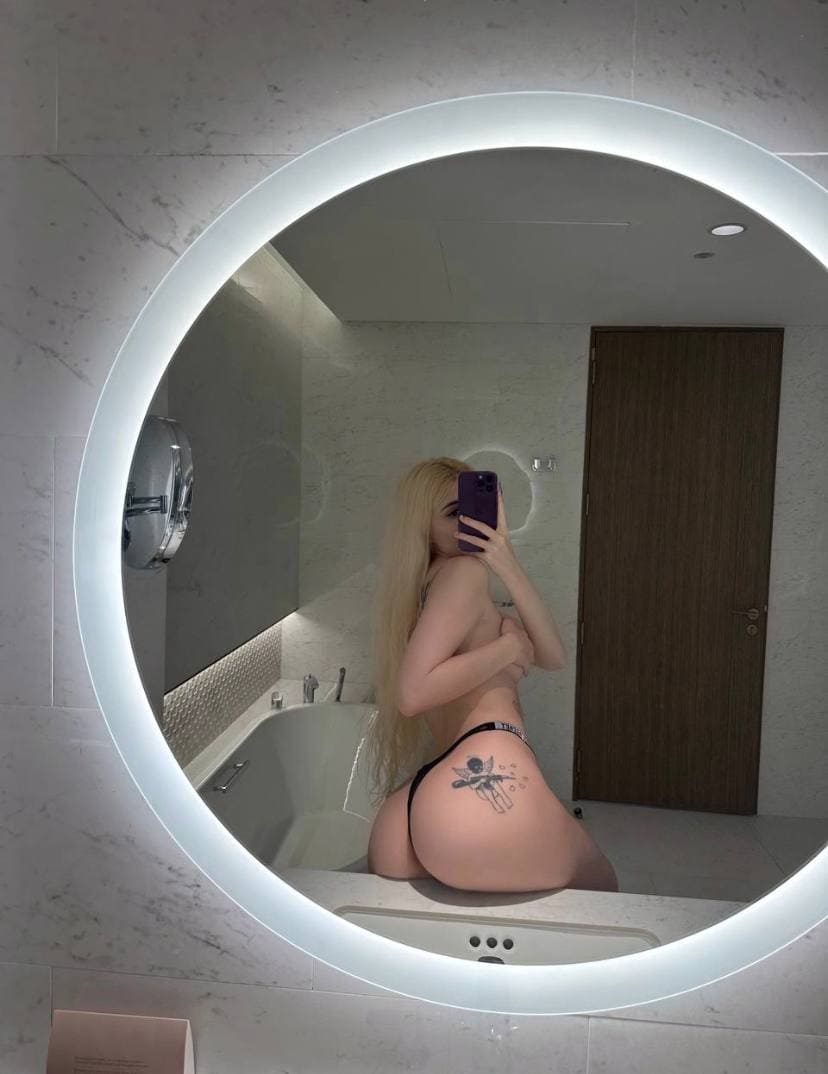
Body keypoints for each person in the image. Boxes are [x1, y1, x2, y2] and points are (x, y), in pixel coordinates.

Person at [365, 457, 618, 893]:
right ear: (423, 527)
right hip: (483, 768)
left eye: (470, 507)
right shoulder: (464, 574)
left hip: (419, 799)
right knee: (604, 887)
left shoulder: (429, 587)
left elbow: (553, 656)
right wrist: (508, 649)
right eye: (452, 513)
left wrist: (507, 561)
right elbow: (413, 693)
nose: (468, 520)